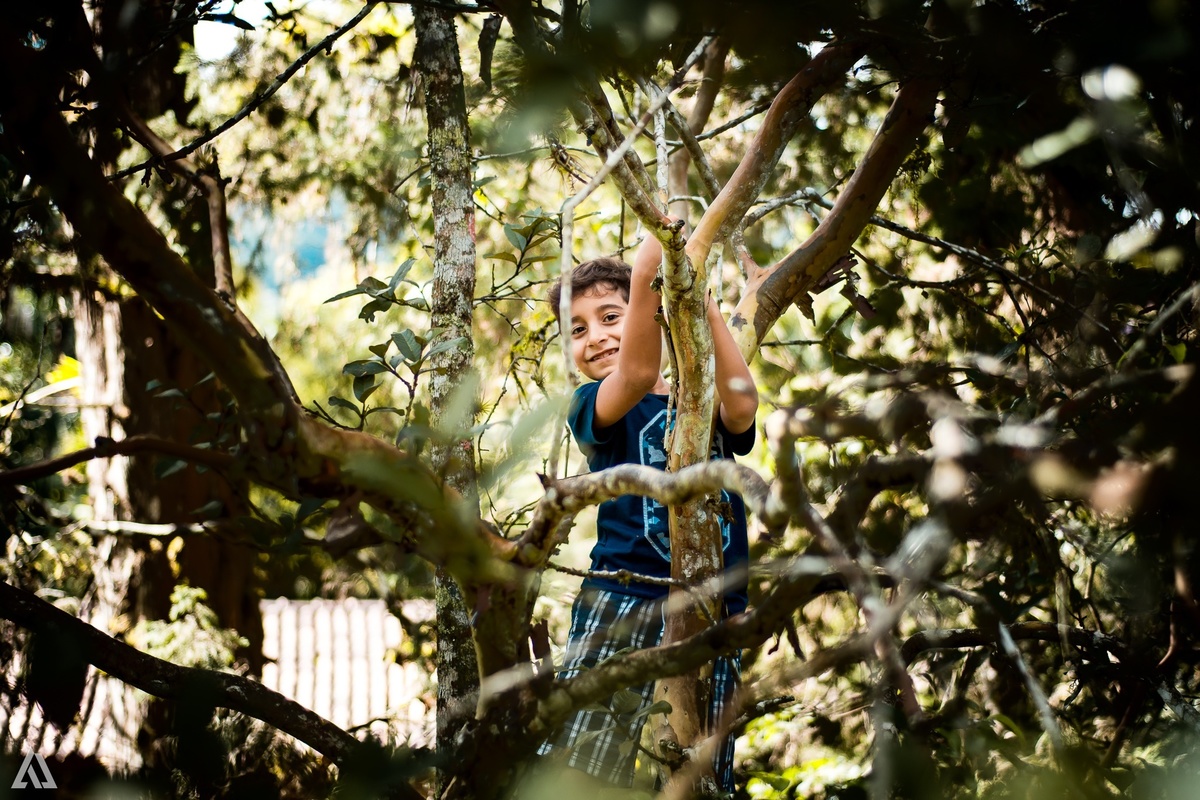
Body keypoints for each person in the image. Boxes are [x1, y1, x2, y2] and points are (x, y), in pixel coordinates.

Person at [538, 228, 759, 792]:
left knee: (697, 777)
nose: (595, 337)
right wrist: (644, 273)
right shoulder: (592, 404)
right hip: (624, 596)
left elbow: (742, 405)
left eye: (612, 317)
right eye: (577, 330)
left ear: (652, 317)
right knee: (582, 763)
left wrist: (699, 302)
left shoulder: (698, 395)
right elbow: (636, 374)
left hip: (713, 607)